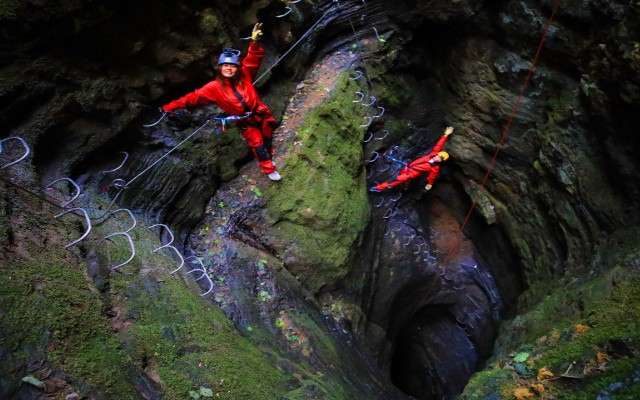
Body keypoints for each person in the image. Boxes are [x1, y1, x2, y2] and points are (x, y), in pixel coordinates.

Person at [161, 23, 281, 181]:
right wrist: (169, 107)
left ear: (237, 68)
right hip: (244, 121)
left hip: (261, 112)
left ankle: (269, 156)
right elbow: (192, 97)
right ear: (220, 68)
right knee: (257, 144)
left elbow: (253, 59)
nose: (229, 69)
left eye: (232, 66)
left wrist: (255, 43)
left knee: (267, 137)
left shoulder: (245, 74)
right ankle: (269, 169)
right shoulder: (214, 88)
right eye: (225, 66)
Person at [369, 126, 454, 192]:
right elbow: (439, 145)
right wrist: (445, 135)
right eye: (438, 156)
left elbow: (431, 177)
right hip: (409, 166)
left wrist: (429, 184)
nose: (437, 158)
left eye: (440, 159)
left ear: (441, 161)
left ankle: (377, 188)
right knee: (399, 175)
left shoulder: (435, 168)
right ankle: (404, 183)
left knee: (394, 180)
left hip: (410, 174)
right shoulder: (433, 153)